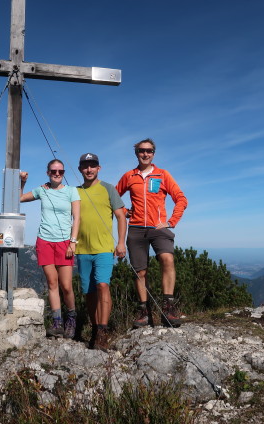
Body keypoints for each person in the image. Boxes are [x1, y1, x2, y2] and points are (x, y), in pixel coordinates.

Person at [116, 138, 188, 328]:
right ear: (136, 153)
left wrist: (171, 222)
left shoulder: (163, 175)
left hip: (158, 228)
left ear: (153, 153)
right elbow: (114, 198)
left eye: (149, 151)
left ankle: (168, 307)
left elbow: (181, 199)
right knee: (140, 271)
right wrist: (124, 212)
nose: (145, 154)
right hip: (136, 228)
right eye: (141, 151)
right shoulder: (129, 176)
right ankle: (144, 311)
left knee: (167, 259)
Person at [20, 159, 80, 338]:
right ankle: (57, 322)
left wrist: (73, 242)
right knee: (52, 284)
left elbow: (77, 218)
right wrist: (22, 182)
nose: (57, 174)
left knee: (66, 286)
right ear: (48, 172)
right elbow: (19, 199)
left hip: (64, 242)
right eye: (53, 171)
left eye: (60, 171)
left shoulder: (71, 191)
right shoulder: (42, 190)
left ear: (63, 173)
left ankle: (71, 317)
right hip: (44, 241)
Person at [75, 153, 127, 351]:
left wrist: (121, 243)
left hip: (104, 249)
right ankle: (95, 328)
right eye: (85, 166)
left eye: (92, 165)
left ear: (99, 168)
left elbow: (121, 217)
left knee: (103, 286)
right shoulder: (75, 192)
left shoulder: (108, 189)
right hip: (82, 249)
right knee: (88, 292)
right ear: (80, 169)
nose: (89, 169)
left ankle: (102, 332)